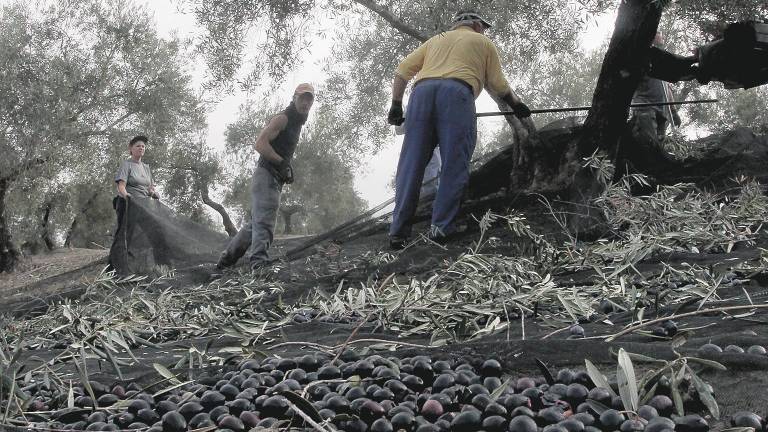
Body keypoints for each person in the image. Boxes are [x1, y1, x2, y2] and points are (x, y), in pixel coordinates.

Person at [386, 10, 530, 249]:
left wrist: (396, 104)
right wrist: (517, 104)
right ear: (475, 24)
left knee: (411, 164)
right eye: (483, 26)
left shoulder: (436, 40)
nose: (484, 30)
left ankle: (398, 232)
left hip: (421, 95)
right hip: (456, 94)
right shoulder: (483, 42)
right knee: (455, 161)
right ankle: (441, 227)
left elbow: (402, 70)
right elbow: (497, 82)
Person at [217, 83, 315, 271]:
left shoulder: (297, 121)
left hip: (273, 178)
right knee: (265, 222)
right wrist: (282, 163)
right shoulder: (283, 118)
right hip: (266, 175)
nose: (306, 103)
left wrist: (284, 169)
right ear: (294, 97)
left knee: (255, 224)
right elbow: (260, 144)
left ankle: (225, 261)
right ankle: (258, 265)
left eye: (309, 100)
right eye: (303, 98)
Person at [108, 135, 160, 271]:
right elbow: (121, 186)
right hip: (127, 204)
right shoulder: (127, 165)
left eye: (143, 146)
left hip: (143, 204)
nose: (141, 148)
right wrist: (127, 195)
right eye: (138, 146)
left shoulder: (146, 168)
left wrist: (153, 193)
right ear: (131, 149)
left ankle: (158, 263)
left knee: (153, 229)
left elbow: (149, 187)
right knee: (125, 234)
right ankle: (116, 266)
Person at [631, 32, 682, 142]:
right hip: (644, 107)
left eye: (662, 36)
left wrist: (673, 111)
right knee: (648, 140)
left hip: (662, 111)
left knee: (659, 144)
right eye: (658, 35)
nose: (662, 37)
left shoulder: (662, 63)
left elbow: (667, 88)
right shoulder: (640, 59)